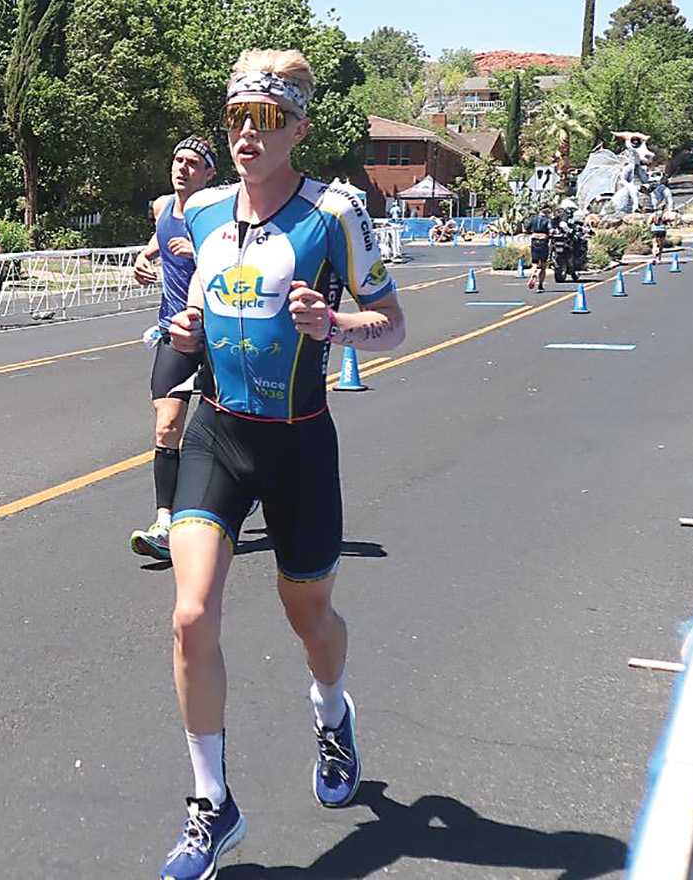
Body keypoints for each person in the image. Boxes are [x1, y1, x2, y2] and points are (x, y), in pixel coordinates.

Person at [156, 48, 406, 880]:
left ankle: (331, 712)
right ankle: (210, 804)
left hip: (299, 441)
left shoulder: (335, 213)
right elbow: (199, 305)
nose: (246, 135)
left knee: (311, 619)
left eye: (265, 119)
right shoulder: (202, 212)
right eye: (235, 118)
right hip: (220, 434)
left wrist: (334, 326)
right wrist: (189, 330)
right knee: (191, 617)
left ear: (298, 126)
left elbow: (392, 321)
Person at [126, 135, 217, 560]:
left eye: (193, 163)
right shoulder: (163, 207)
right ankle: (166, 522)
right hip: (171, 331)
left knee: (230, 430)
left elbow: (240, 261)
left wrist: (201, 251)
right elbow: (158, 241)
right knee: (167, 424)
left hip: (219, 335)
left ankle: (243, 495)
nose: (182, 168)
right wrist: (143, 260)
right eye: (178, 160)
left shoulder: (219, 214)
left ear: (209, 174)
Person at [525, 204, 553, 291]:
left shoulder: (533, 219)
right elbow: (551, 230)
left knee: (535, 262)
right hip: (543, 242)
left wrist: (531, 232)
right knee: (543, 265)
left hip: (534, 241)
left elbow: (526, 228)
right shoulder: (547, 220)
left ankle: (534, 273)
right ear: (546, 211)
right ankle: (540, 285)